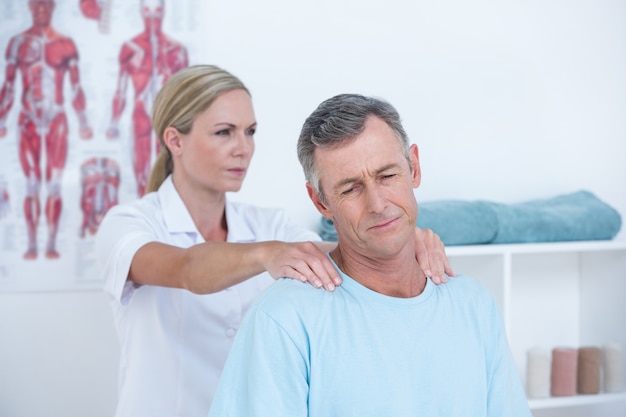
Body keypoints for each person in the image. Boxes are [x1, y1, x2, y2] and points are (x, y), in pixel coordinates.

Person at [95, 65, 453, 417]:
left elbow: (342, 256)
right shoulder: (128, 225)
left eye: (249, 131)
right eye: (224, 132)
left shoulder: (268, 224)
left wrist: (401, 239)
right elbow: (187, 268)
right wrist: (268, 254)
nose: (243, 148)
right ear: (175, 140)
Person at [208, 94, 531, 417]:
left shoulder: (474, 306)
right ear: (320, 202)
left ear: (414, 167)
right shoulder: (285, 319)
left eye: (387, 176)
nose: (378, 204)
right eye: (350, 189)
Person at [0, 0, 93, 259]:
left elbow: (75, 86)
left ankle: (51, 243)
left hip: (56, 121)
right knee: (31, 184)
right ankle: (31, 243)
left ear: (52, 7)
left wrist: (84, 122)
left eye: (45, 4)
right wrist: (2, 119)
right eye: (36, 4)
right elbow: (8, 85)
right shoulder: (17, 43)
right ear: (29, 7)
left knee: (53, 184)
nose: (41, 9)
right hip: (27, 119)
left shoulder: (65, 44)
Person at [106, 0, 189, 196]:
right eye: (147, 11)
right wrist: (114, 123)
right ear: (141, 13)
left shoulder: (176, 50)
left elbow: (187, 94)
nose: (152, 17)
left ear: (164, 13)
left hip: (169, 122)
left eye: (157, 11)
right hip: (141, 117)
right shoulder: (130, 48)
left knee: (170, 173)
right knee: (142, 174)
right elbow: (121, 89)